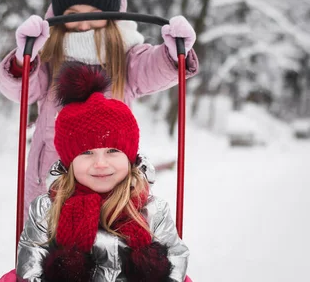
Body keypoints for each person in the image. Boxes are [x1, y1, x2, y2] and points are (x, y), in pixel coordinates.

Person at [0, 0, 199, 218]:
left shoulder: (125, 56)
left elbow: (151, 69)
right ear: (59, 15)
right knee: (52, 250)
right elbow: (22, 89)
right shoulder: (48, 56)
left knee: (109, 248)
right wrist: (24, 61)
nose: (83, 23)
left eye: (94, 13)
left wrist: (173, 55)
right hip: (52, 178)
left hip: (111, 179)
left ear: (111, 15)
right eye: (73, 13)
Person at [14, 63, 189, 282]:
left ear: (130, 157)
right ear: (69, 162)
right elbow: (31, 265)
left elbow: (176, 257)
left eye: (112, 151)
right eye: (86, 152)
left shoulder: (151, 209)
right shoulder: (47, 208)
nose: (100, 163)